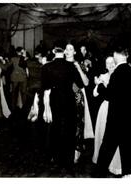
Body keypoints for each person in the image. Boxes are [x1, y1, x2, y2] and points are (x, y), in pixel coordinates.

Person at [95, 43, 131, 177]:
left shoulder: (117, 73)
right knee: (127, 154)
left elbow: (109, 95)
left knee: (106, 151)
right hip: (128, 120)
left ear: (117, 55)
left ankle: (98, 177)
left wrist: (100, 85)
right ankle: (128, 178)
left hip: (115, 120)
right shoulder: (130, 71)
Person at [41, 44, 84, 172]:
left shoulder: (47, 67)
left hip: (55, 99)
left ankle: (55, 157)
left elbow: (44, 86)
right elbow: (80, 84)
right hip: (69, 99)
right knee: (70, 129)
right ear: (64, 52)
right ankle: (68, 159)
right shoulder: (71, 66)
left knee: (55, 127)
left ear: (54, 52)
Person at [92, 56, 122, 175]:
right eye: (108, 63)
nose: (110, 65)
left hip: (117, 109)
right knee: (103, 134)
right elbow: (94, 94)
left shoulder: (120, 76)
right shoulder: (103, 76)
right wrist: (98, 84)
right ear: (105, 65)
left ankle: (115, 165)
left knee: (115, 137)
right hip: (105, 108)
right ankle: (103, 163)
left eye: (112, 62)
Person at [63, 43, 91, 164]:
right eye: (66, 49)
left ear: (74, 52)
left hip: (77, 98)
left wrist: (79, 69)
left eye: (71, 49)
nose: (68, 51)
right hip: (63, 98)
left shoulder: (79, 65)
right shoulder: (60, 64)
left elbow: (86, 83)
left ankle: (76, 150)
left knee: (77, 125)